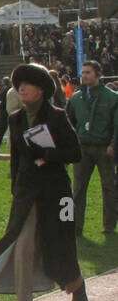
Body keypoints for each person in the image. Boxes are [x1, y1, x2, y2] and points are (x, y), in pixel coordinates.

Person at [0, 64, 87, 301]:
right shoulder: (15, 118)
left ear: (41, 90)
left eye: (27, 84)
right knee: (23, 246)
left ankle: (75, 283)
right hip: (27, 193)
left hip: (57, 193)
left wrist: (48, 155)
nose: (21, 88)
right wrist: (16, 187)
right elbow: (16, 158)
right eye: (19, 84)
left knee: (61, 243)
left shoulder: (58, 116)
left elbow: (75, 153)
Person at [65, 60, 118, 237]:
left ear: (98, 74)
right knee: (78, 189)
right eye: (83, 72)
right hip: (82, 148)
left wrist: (113, 145)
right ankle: (76, 226)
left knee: (108, 188)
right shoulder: (76, 97)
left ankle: (109, 225)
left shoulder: (112, 97)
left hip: (104, 148)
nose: (84, 75)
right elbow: (69, 121)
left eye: (88, 72)